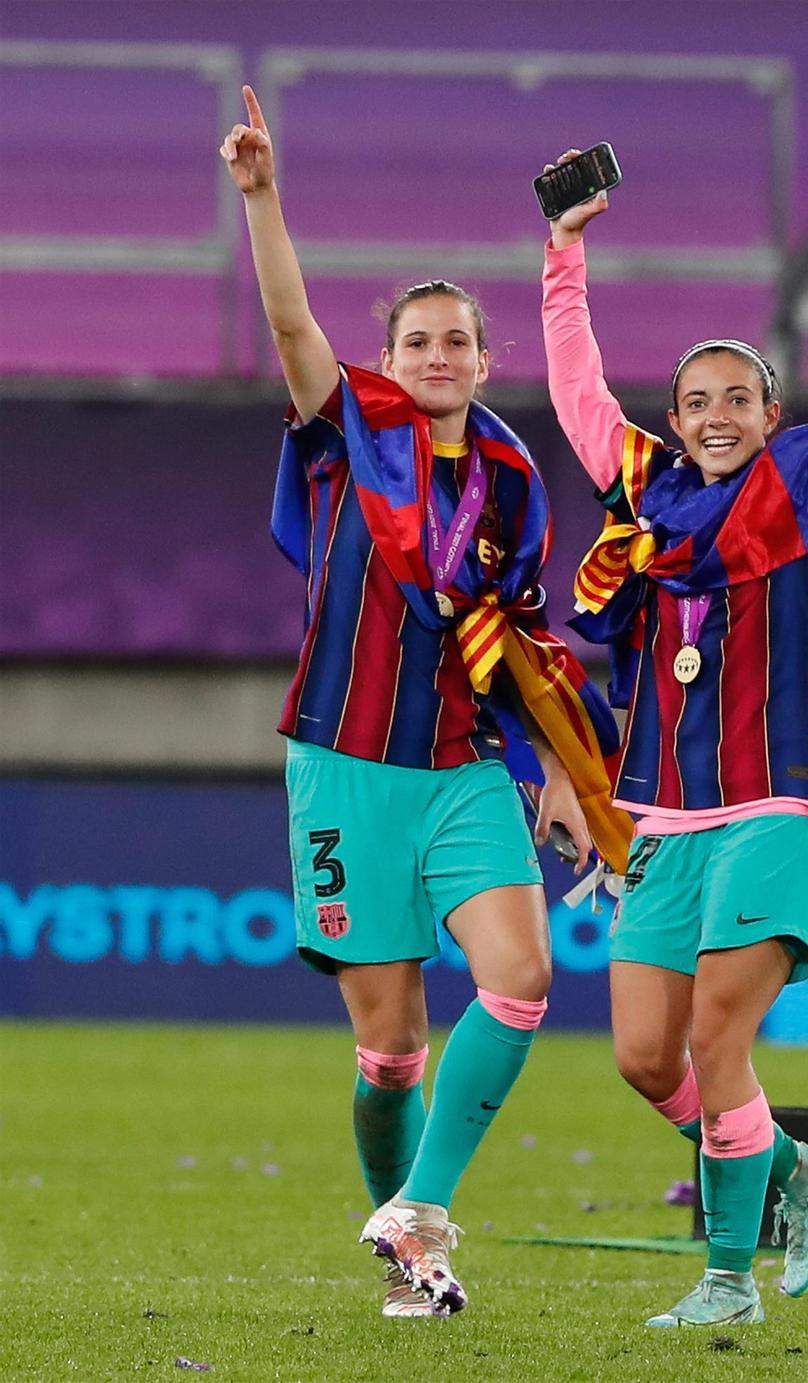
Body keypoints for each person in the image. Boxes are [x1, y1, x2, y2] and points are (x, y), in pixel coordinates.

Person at [220, 90, 630, 1321]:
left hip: (459, 768)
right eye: (418, 342)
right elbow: (291, 321)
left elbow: (520, 640)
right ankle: (413, 1261)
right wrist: (261, 196)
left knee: (521, 975)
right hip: (343, 764)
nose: (439, 356)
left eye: (458, 340)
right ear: (387, 360)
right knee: (393, 1042)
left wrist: (560, 769)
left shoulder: (511, 478)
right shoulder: (349, 430)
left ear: (485, 360)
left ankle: (421, 1210)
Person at [540, 153, 808, 1327]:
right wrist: (565, 254)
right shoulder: (644, 510)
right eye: (696, 401)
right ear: (676, 423)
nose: (716, 416)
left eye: (738, 400)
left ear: (772, 415)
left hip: (773, 803)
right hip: (661, 816)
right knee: (646, 1060)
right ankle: (796, 1166)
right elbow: (576, 394)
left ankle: (727, 1281)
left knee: (716, 1039)